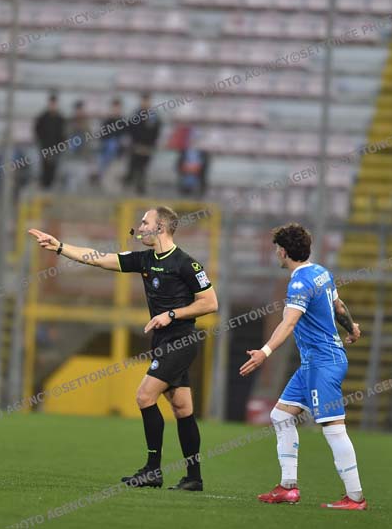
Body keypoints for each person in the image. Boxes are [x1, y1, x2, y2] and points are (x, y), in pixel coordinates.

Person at [27, 206, 218, 491]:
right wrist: (60, 247)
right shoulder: (145, 259)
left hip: (181, 341)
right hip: (162, 342)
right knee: (182, 408)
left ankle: (153, 470)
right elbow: (100, 258)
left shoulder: (186, 264)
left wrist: (172, 314)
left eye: (144, 222)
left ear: (160, 227)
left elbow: (210, 303)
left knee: (144, 396)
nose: (139, 228)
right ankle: (194, 477)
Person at [240, 223, 367, 510]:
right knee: (280, 415)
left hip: (324, 363)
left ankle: (355, 497)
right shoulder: (321, 272)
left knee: (334, 428)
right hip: (314, 364)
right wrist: (351, 328)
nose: (277, 253)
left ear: (284, 252)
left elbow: (289, 323)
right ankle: (288, 487)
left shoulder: (299, 283)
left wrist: (264, 352)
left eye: (277, 249)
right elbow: (339, 307)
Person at [125, 93, 162, 195]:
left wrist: (148, 146)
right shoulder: (135, 115)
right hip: (136, 146)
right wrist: (136, 145)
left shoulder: (154, 116)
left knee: (143, 167)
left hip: (148, 147)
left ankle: (140, 186)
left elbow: (156, 132)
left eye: (147, 101)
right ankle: (129, 183)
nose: (145, 103)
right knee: (133, 165)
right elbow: (131, 130)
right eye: (144, 101)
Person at [33, 93, 66, 189]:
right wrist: (41, 144)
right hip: (45, 147)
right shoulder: (43, 117)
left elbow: (63, 134)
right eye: (51, 103)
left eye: (54, 103)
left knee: (54, 167)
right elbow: (37, 130)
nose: (53, 106)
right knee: (44, 167)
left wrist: (61, 145)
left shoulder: (60, 118)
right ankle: (44, 186)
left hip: (57, 148)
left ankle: (51, 186)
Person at [91, 97, 125, 187]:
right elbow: (101, 136)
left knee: (113, 178)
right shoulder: (107, 121)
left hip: (117, 154)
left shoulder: (123, 122)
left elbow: (125, 138)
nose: (116, 110)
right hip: (105, 152)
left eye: (118, 107)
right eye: (114, 107)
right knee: (103, 172)